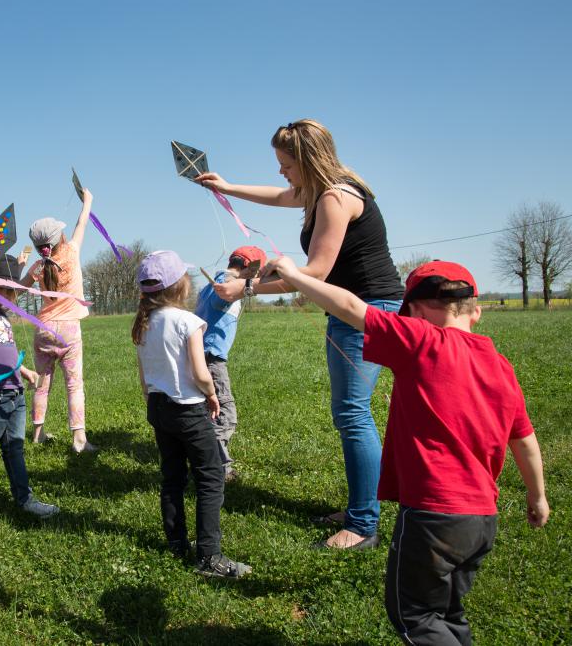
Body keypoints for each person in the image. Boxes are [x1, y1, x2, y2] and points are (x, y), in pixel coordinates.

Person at [265, 255, 549, 643]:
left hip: (434, 517)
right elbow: (525, 441)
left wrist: (296, 276)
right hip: (483, 520)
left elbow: (350, 307)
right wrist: (538, 497)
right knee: (448, 611)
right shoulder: (502, 367)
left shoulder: (421, 339)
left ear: (414, 311)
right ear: (476, 312)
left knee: (414, 615)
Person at [198, 119, 404, 549]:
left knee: (352, 413)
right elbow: (278, 196)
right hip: (349, 306)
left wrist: (246, 287)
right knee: (350, 412)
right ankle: (360, 506)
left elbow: (313, 274)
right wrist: (228, 187)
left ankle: (363, 523)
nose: (280, 172)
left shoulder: (335, 197)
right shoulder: (319, 190)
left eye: (285, 163)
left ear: (307, 160)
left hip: (367, 310)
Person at [132, 250, 251, 578]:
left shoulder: (143, 322)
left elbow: (143, 378)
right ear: (178, 286)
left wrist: (153, 403)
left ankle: (176, 543)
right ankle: (210, 558)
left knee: (172, 477)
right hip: (188, 409)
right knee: (210, 476)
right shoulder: (188, 321)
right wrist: (212, 394)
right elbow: (201, 373)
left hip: (157, 408)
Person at [0, 237, 60, 526]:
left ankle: (24, 499)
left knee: (15, 449)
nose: (9, 295)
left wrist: (26, 373)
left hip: (14, 393)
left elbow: (4, 355)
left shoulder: (2, 317)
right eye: (3, 289)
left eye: (13, 291)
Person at [23, 189, 96, 452]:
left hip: (43, 329)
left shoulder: (37, 267)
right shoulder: (72, 252)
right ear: (59, 237)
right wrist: (87, 201)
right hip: (68, 329)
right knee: (74, 384)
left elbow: (18, 288)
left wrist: (22, 264)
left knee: (42, 383)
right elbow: (82, 223)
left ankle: (37, 433)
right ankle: (79, 438)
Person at [194, 245, 266, 482]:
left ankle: (202, 458)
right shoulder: (225, 284)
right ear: (250, 268)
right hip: (211, 359)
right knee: (224, 413)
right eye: (258, 273)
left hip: (202, 357)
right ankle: (219, 468)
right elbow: (221, 298)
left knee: (209, 412)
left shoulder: (213, 283)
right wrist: (243, 283)